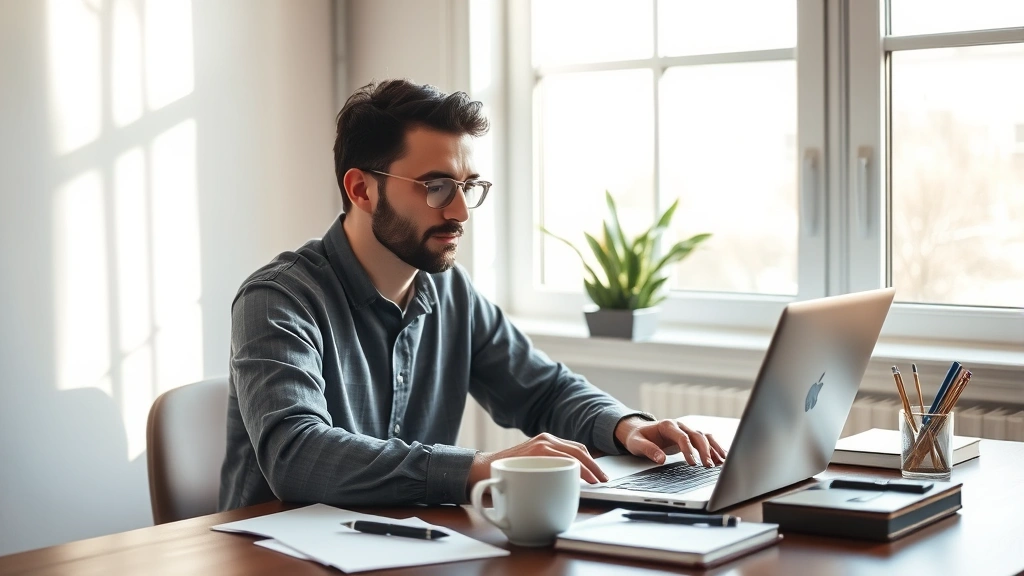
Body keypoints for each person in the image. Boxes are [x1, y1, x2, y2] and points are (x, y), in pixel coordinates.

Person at [219, 79, 726, 511]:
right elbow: (297, 455)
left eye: (469, 185)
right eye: (436, 186)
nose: (460, 211)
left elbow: (542, 389)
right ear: (361, 190)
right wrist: (480, 468)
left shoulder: (448, 289)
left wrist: (626, 426)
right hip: (276, 555)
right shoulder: (278, 298)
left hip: (402, 546)